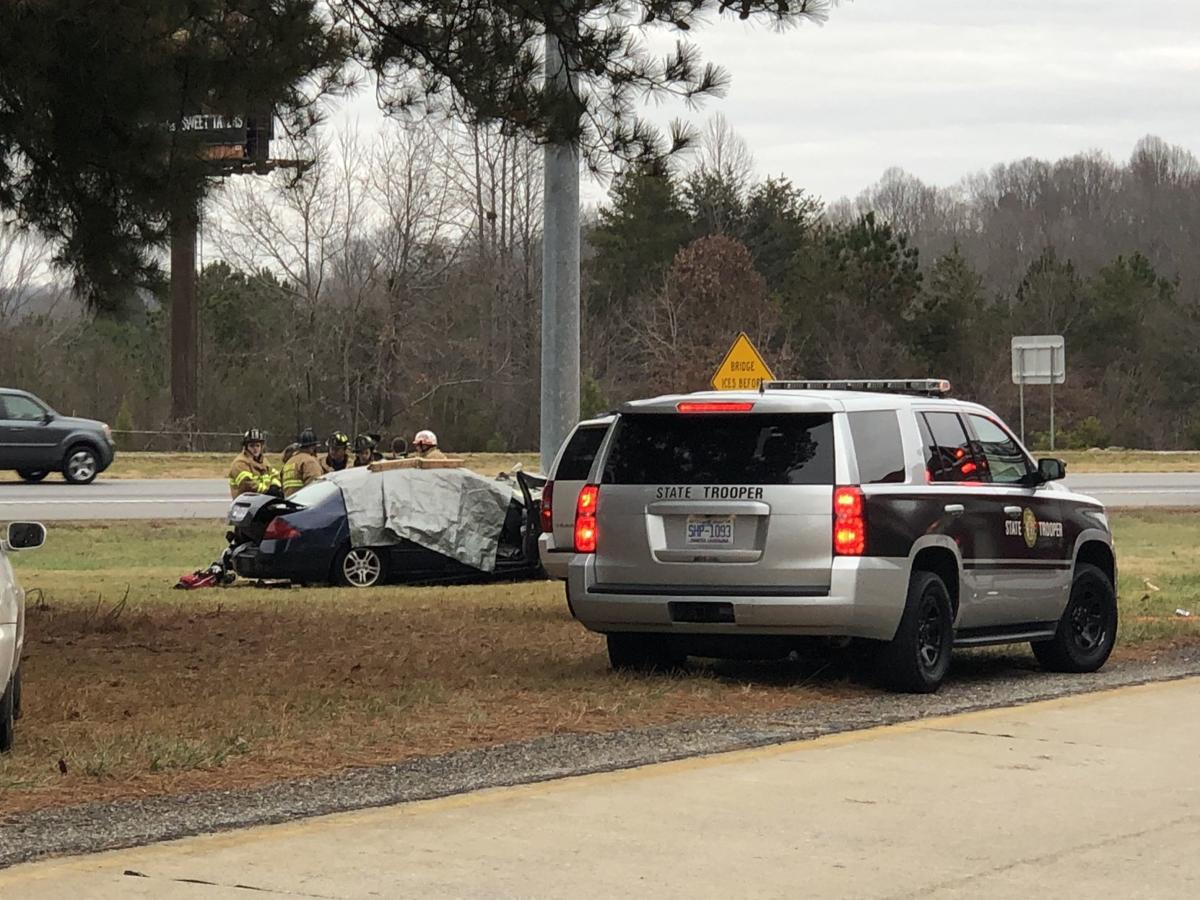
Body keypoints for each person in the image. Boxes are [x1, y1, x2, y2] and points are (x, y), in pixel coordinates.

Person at [227, 428, 278, 499]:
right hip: (245, 504)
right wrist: (268, 491)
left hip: (263, 501)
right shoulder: (240, 463)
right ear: (246, 447)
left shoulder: (264, 461)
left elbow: (275, 475)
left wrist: (276, 487)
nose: (255, 448)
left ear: (261, 447)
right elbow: (247, 485)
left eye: (257, 445)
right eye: (252, 445)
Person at [281, 428, 324, 497]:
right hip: (305, 503)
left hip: (289, 503)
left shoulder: (289, 462)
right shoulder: (309, 462)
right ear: (312, 447)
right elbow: (316, 487)